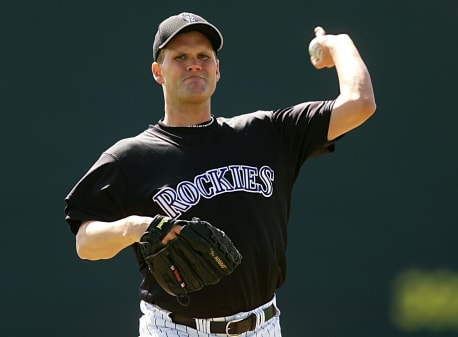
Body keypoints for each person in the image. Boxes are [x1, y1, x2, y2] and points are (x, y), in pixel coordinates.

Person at [64, 11, 376, 337]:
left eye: (203, 56)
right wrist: (134, 227)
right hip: (174, 329)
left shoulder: (267, 133)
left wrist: (338, 44)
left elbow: (360, 103)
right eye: (180, 56)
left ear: (217, 69)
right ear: (158, 72)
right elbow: (85, 242)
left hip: (263, 325)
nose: (194, 64)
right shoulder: (131, 157)